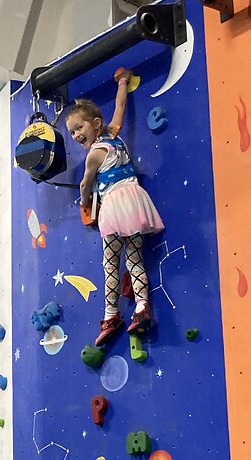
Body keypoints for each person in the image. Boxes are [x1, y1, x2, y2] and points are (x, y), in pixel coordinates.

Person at [65, 69, 165, 345]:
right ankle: (143, 307)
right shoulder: (114, 135)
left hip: (113, 207)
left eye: (79, 128)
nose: (75, 135)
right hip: (134, 200)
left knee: (110, 264)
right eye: (72, 132)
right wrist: (123, 82)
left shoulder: (95, 154)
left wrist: (84, 203)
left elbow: (86, 184)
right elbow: (120, 108)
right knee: (134, 259)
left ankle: (111, 315)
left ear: (96, 124)